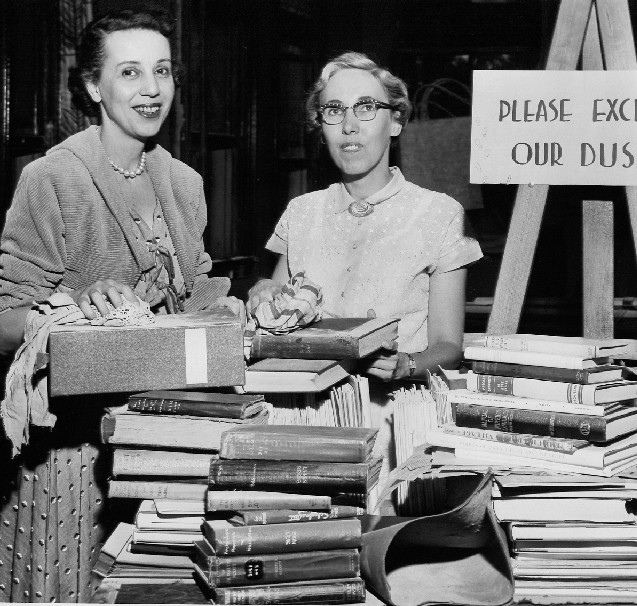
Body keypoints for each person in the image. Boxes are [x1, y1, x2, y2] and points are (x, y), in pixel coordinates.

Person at [0, 9, 238, 601]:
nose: (152, 89)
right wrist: (76, 314)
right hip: (74, 451)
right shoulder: (52, 178)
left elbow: (196, 294)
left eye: (162, 71)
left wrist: (244, 307)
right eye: (129, 72)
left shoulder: (184, 182)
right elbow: (5, 320)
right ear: (91, 87)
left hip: (170, 437)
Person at [247, 52, 482, 483]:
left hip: (394, 424)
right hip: (304, 419)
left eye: (366, 107)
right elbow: (277, 316)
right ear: (321, 127)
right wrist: (262, 290)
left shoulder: (438, 214)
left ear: (395, 121)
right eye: (334, 110)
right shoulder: (302, 211)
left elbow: (449, 343)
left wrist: (406, 364)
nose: (349, 125)